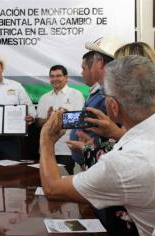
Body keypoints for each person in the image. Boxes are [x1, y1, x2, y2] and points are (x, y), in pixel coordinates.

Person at [40, 55, 155, 236]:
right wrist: (115, 134)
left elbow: (53, 189)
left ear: (113, 106)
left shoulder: (123, 162)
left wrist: (46, 140)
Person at [68, 36, 124, 166]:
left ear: (99, 62)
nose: (82, 72)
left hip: (101, 161)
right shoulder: (101, 89)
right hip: (94, 158)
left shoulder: (110, 93)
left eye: (85, 67)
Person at [36, 65, 84, 174]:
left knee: (65, 182)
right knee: (46, 183)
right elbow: (38, 123)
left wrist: (61, 117)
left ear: (66, 77)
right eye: (52, 76)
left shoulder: (76, 95)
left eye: (58, 76)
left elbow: (80, 121)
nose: (55, 79)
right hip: (46, 149)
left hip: (67, 149)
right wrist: (48, 119)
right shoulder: (44, 97)